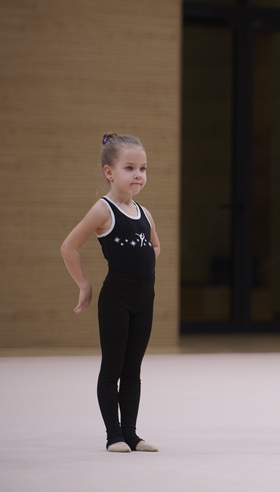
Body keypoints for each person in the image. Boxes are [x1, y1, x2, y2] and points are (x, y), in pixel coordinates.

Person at [61, 133, 160, 452]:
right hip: (117, 298)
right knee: (113, 367)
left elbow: (155, 245)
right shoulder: (104, 210)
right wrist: (84, 285)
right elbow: (69, 247)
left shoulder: (144, 213)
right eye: (130, 168)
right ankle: (113, 435)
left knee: (134, 369)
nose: (138, 175)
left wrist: (145, 260)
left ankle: (131, 433)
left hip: (145, 300)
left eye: (143, 169)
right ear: (109, 172)